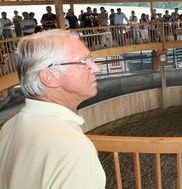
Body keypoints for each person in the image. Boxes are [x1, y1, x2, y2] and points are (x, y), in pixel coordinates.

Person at [0, 29, 106, 188]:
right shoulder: (73, 148)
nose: (96, 68)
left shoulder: (9, 126)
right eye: (85, 62)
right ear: (50, 76)